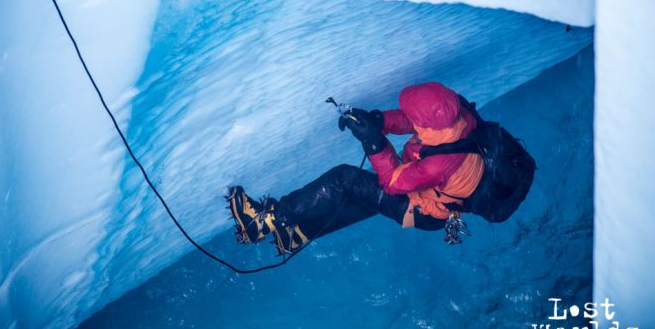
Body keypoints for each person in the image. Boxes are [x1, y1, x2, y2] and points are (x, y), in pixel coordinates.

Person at [227, 82, 535, 254]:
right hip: (434, 194)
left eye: (415, 119)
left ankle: (266, 221)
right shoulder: (456, 116)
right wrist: (380, 122)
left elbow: (392, 183)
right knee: (366, 197)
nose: (411, 119)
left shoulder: (439, 163)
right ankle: (298, 233)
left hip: (423, 210)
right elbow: (411, 120)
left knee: (345, 180)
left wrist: (374, 142)